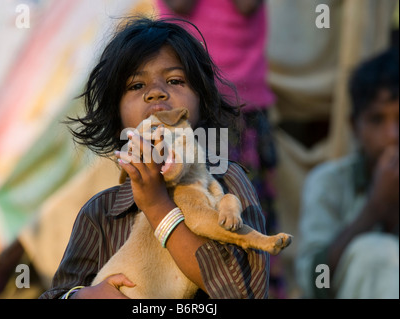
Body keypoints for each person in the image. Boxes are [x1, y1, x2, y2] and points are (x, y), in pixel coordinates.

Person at [39, 17, 270, 299]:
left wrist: (157, 206)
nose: (156, 92)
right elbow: (56, 293)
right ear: (116, 118)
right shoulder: (101, 213)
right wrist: (79, 297)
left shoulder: (226, 183)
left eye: (174, 80)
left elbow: (243, 293)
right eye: (136, 86)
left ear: (202, 104)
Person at [157, 0, 284, 298]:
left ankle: (253, 287)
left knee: (249, 210)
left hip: (242, 108)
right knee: (191, 210)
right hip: (186, 107)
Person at [296, 48, 399, 299]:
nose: (392, 135)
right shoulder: (328, 182)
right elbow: (314, 282)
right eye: (377, 120)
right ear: (355, 127)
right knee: (374, 253)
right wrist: (376, 205)